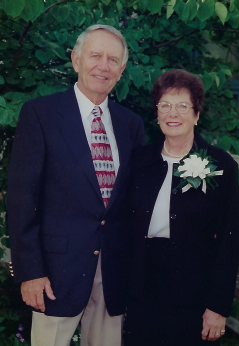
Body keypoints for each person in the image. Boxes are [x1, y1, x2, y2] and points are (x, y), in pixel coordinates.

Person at [7, 24, 145, 346]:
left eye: (113, 60)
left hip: (111, 273)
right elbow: (21, 198)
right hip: (56, 272)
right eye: (95, 55)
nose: (103, 65)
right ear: (76, 59)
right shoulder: (40, 114)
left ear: (122, 70)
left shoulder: (131, 125)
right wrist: (30, 271)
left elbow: (135, 202)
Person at [124, 69, 239, 346]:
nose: (172, 113)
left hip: (194, 296)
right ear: (157, 112)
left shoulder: (221, 166)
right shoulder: (139, 162)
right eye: (164, 105)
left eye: (182, 106)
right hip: (142, 293)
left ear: (196, 114)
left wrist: (218, 307)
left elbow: (230, 240)